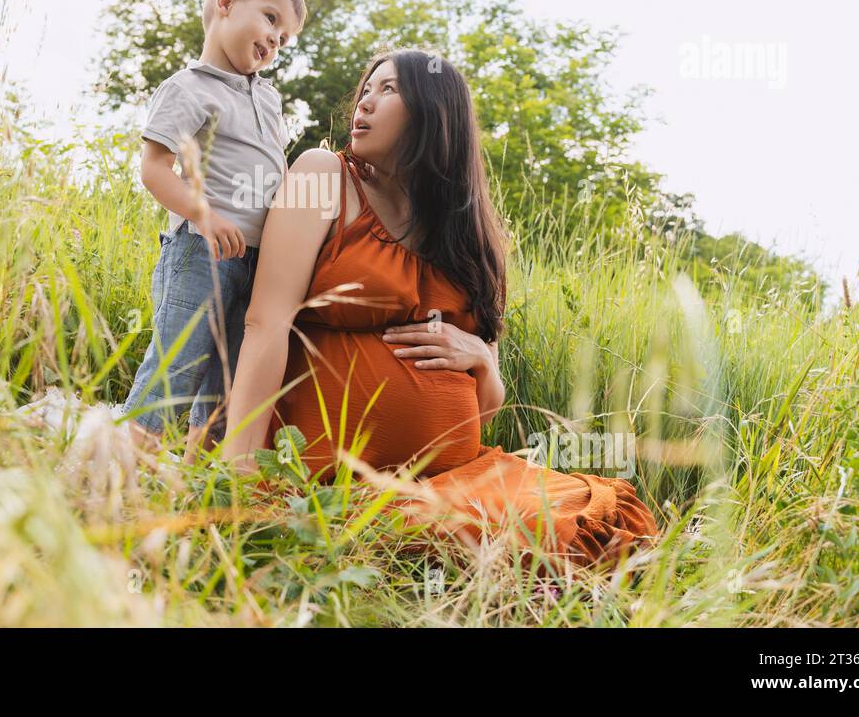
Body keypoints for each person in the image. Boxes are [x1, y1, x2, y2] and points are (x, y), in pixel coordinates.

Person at [218, 49, 659, 571]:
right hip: (341, 483)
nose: (365, 103)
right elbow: (266, 323)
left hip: (457, 473)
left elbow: (485, 406)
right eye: (366, 90)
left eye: (388, 91)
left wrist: (481, 358)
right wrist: (239, 473)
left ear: (435, 113)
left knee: (612, 522)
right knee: (545, 539)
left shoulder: (469, 238)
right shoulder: (323, 176)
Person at [118, 0, 307, 463]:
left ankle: (201, 479)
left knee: (227, 382)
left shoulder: (267, 96)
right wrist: (204, 215)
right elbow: (155, 169)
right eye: (270, 19)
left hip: (260, 263)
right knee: (176, 365)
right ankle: (121, 469)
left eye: (284, 39)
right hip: (203, 252)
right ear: (226, 2)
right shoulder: (189, 87)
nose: (275, 41)